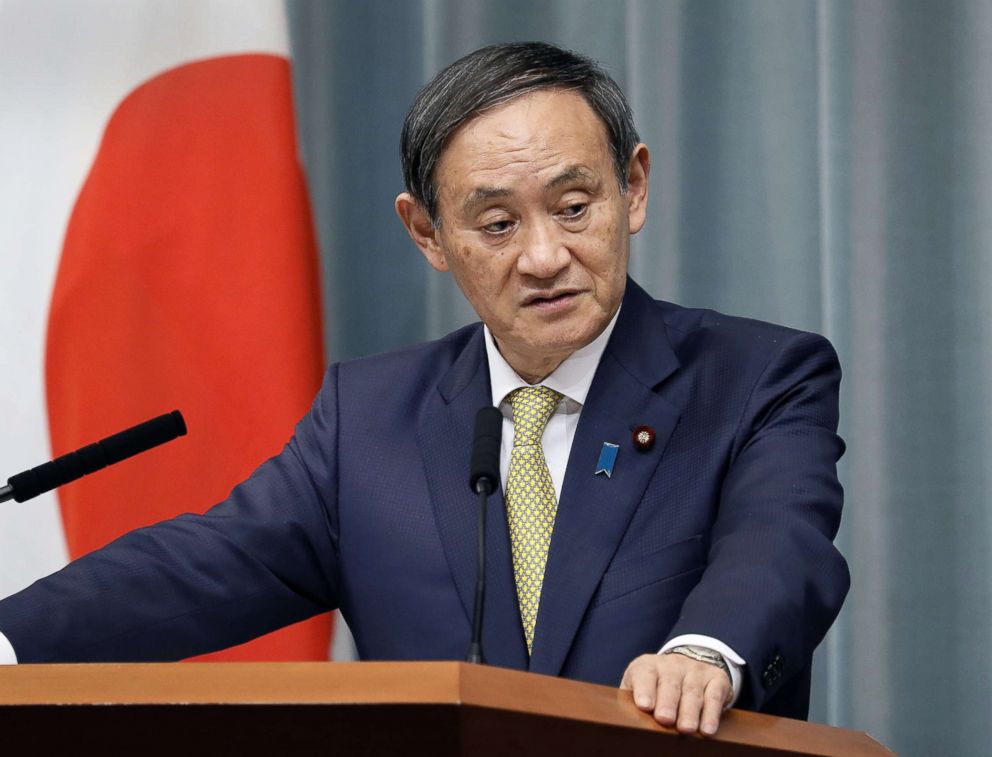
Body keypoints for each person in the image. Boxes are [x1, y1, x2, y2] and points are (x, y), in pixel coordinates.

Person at [0, 42, 848, 736]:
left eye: (574, 205)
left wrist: (704, 652)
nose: (544, 254)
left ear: (633, 187)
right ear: (427, 233)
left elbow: (778, 548)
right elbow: (196, 569)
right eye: (498, 223)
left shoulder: (755, 379)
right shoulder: (369, 420)